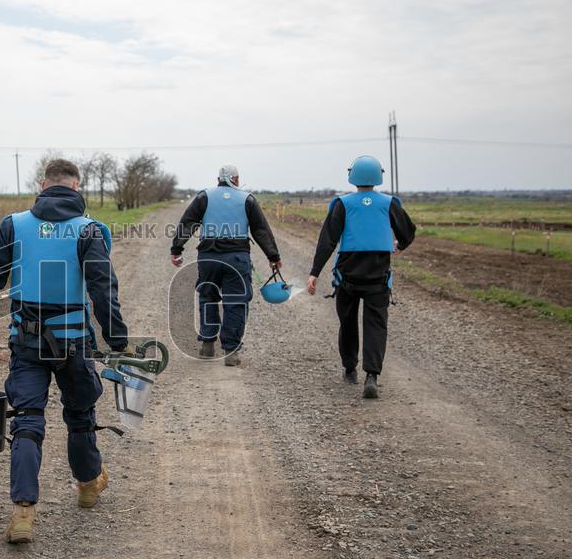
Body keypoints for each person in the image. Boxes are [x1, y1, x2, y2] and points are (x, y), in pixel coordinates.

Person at [0, 159, 130, 544]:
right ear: (76, 185)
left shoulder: (14, 225)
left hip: (27, 341)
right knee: (80, 413)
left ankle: (22, 514)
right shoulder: (89, 230)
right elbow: (103, 291)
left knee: (27, 421)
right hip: (72, 343)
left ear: (42, 185)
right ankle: (87, 484)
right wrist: (117, 340)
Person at [307, 155, 416, 399]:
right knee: (376, 324)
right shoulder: (389, 203)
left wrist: (314, 272)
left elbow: (328, 240)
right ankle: (372, 376)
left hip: (348, 275)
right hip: (378, 275)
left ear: (352, 176)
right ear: (378, 177)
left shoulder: (342, 204)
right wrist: (401, 244)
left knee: (347, 322)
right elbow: (408, 231)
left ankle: (350, 369)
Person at [170, 164, 282, 366]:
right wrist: (273, 256)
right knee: (236, 302)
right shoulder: (247, 199)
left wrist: (176, 249)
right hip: (237, 259)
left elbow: (188, 223)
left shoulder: (204, 196)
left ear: (218, 179)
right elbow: (261, 230)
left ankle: (207, 344)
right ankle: (231, 352)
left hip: (208, 258)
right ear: (236, 179)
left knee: (208, 297)